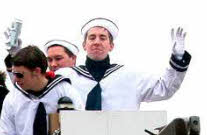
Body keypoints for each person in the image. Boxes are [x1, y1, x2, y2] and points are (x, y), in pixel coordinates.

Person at [55, 19, 191, 111]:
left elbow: (165, 88)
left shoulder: (129, 76)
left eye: (103, 38)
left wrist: (178, 58)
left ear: (111, 45)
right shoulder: (67, 77)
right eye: (92, 37)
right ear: (84, 45)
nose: (97, 42)